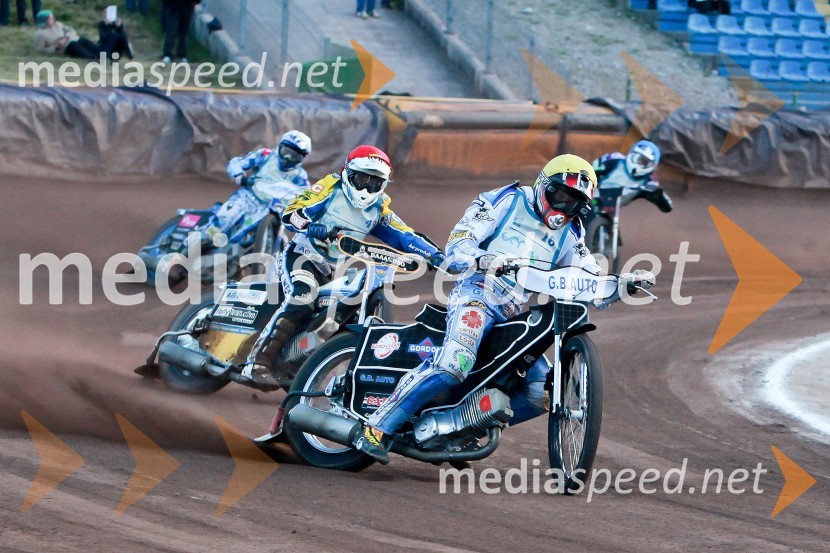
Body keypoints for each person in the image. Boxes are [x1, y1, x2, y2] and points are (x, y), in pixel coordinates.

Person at [355, 154, 607, 464]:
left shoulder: (572, 231)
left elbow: (588, 270)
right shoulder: (507, 199)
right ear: (544, 185)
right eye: (562, 196)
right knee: (454, 362)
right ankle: (375, 427)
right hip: (478, 292)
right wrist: (481, 259)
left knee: (541, 391)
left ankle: (457, 429)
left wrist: (620, 284)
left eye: (574, 203)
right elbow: (460, 241)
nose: (564, 208)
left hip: (514, 313)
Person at [241, 145, 446, 385]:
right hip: (302, 256)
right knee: (303, 297)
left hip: (334, 270)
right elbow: (292, 212)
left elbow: (405, 235)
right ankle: (256, 362)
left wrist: (436, 256)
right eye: (361, 179)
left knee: (346, 312)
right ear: (347, 173)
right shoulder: (329, 188)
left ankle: (301, 364)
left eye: (374, 182)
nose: (366, 188)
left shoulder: (379, 207)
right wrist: (309, 225)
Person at [203, 130, 313, 242]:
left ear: (301, 158)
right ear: (280, 147)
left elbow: (307, 195)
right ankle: (199, 239)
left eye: (294, 156)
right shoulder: (265, 155)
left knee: (283, 238)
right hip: (248, 198)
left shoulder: (301, 176)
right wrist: (240, 176)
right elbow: (237, 162)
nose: (287, 158)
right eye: (286, 152)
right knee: (223, 221)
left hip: (274, 207)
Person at [591, 140, 673, 213]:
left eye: (645, 162)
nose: (639, 164)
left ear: (652, 166)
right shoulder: (615, 158)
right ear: (631, 154)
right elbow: (591, 169)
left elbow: (667, 206)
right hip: (591, 195)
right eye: (637, 159)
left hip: (611, 208)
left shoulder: (650, 180)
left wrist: (658, 196)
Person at [34, 10, 102, 60]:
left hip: (72, 39)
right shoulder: (40, 34)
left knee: (83, 40)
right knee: (74, 45)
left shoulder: (57, 24)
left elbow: (70, 29)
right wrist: (56, 47)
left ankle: (104, 54)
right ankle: (93, 58)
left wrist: (67, 37)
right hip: (64, 47)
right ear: (45, 20)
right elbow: (40, 49)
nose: (53, 19)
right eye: (51, 18)